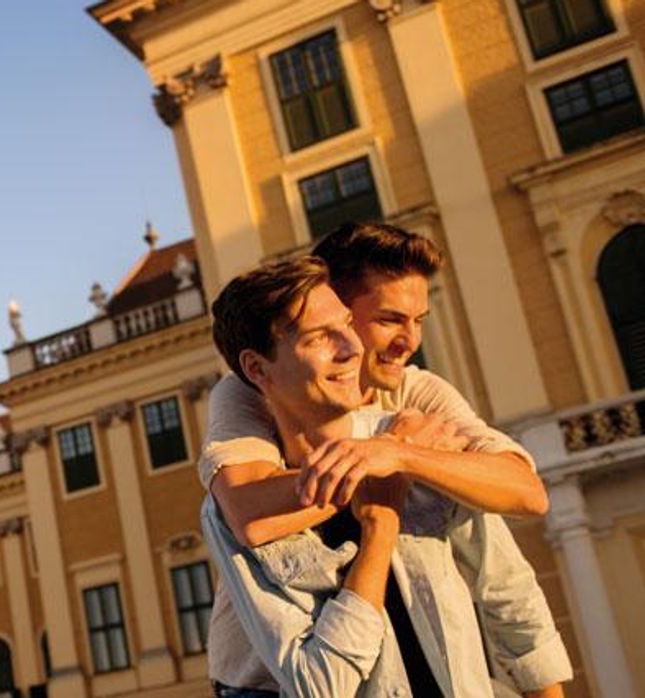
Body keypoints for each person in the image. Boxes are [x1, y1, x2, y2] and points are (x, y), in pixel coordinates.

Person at [201, 227, 571, 696]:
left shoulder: (420, 403)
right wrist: (380, 476)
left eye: (419, 320)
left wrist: (400, 455)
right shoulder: (245, 392)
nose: (409, 341)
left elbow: (523, 504)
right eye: (389, 319)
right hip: (261, 684)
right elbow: (245, 515)